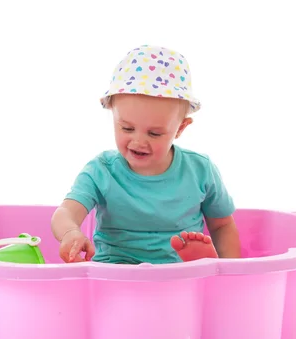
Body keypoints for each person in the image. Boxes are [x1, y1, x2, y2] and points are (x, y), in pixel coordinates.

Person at [50, 45, 241, 264]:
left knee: (187, 280)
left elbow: (222, 224)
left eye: (154, 133)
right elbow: (66, 211)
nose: (139, 141)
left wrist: (230, 269)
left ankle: (199, 263)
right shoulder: (101, 170)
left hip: (179, 273)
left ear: (180, 128)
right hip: (116, 270)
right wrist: (70, 233)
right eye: (127, 128)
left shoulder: (200, 170)